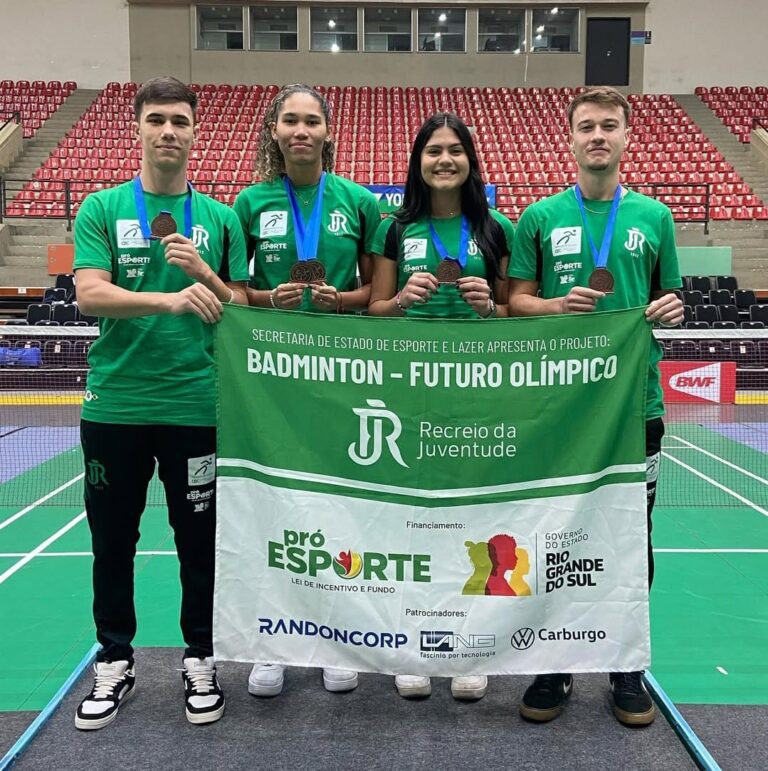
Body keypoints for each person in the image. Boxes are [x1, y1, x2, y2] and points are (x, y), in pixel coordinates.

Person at [72, 76, 249, 730]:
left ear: (196, 132)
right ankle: (115, 659)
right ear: (138, 127)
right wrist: (169, 299)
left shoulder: (222, 219)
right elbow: (90, 292)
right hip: (116, 406)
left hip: (197, 406)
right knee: (112, 542)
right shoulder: (101, 207)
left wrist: (205, 277)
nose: (168, 131)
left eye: (179, 120)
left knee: (199, 545)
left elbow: (241, 303)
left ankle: (200, 655)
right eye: (157, 120)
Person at [508, 85, 684, 726]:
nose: (598, 136)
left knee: (632, 538)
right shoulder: (539, 217)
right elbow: (516, 302)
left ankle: (624, 663)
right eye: (587, 126)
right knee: (552, 531)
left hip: (635, 405)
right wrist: (557, 305)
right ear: (571, 138)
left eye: (609, 125)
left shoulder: (655, 217)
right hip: (558, 408)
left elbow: (670, 297)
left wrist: (671, 308)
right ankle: (553, 661)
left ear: (626, 136)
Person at [233, 83, 381, 696]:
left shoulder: (359, 201)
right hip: (274, 379)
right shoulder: (249, 203)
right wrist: (269, 297)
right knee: (274, 507)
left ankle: (339, 639)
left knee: (342, 507)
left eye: (311, 120)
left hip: (342, 375)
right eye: (290, 120)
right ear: (275, 131)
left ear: (327, 132)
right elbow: (234, 292)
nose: (300, 130)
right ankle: (273, 644)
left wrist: (337, 300)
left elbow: (376, 294)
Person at [368, 112, 514, 700]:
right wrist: (403, 299)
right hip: (410, 394)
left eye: (455, 150)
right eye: (433, 151)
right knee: (409, 522)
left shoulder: (496, 229)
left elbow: (514, 313)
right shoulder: (397, 230)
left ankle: (468, 647)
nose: (444, 160)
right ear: (419, 162)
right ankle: (412, 644)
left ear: (470, 160)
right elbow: (374, 311)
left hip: (477, 396)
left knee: (475, 523)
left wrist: (490, 308)